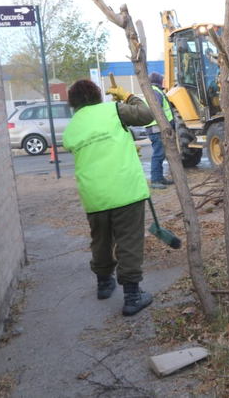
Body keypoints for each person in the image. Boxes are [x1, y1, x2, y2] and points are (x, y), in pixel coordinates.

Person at [62, 79, 155, 316]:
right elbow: (146, 114)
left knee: (101, 240)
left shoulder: (72, 127)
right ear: (97, 95)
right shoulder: (114, 109)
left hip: (95, 194)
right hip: (125, 189)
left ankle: (104, 284)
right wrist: (127, 97)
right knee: (129, 241)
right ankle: (132, 296)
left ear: (73, 103)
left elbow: (78, 147)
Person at [146, 72, 175, 189]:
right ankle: (155, 180)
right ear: (158, 81)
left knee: (160, 154)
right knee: (158, 154)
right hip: (156, 128)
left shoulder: (153, 90)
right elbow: (157, 109)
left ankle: (159, 178)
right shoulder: (155, 91)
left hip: (156, 128)